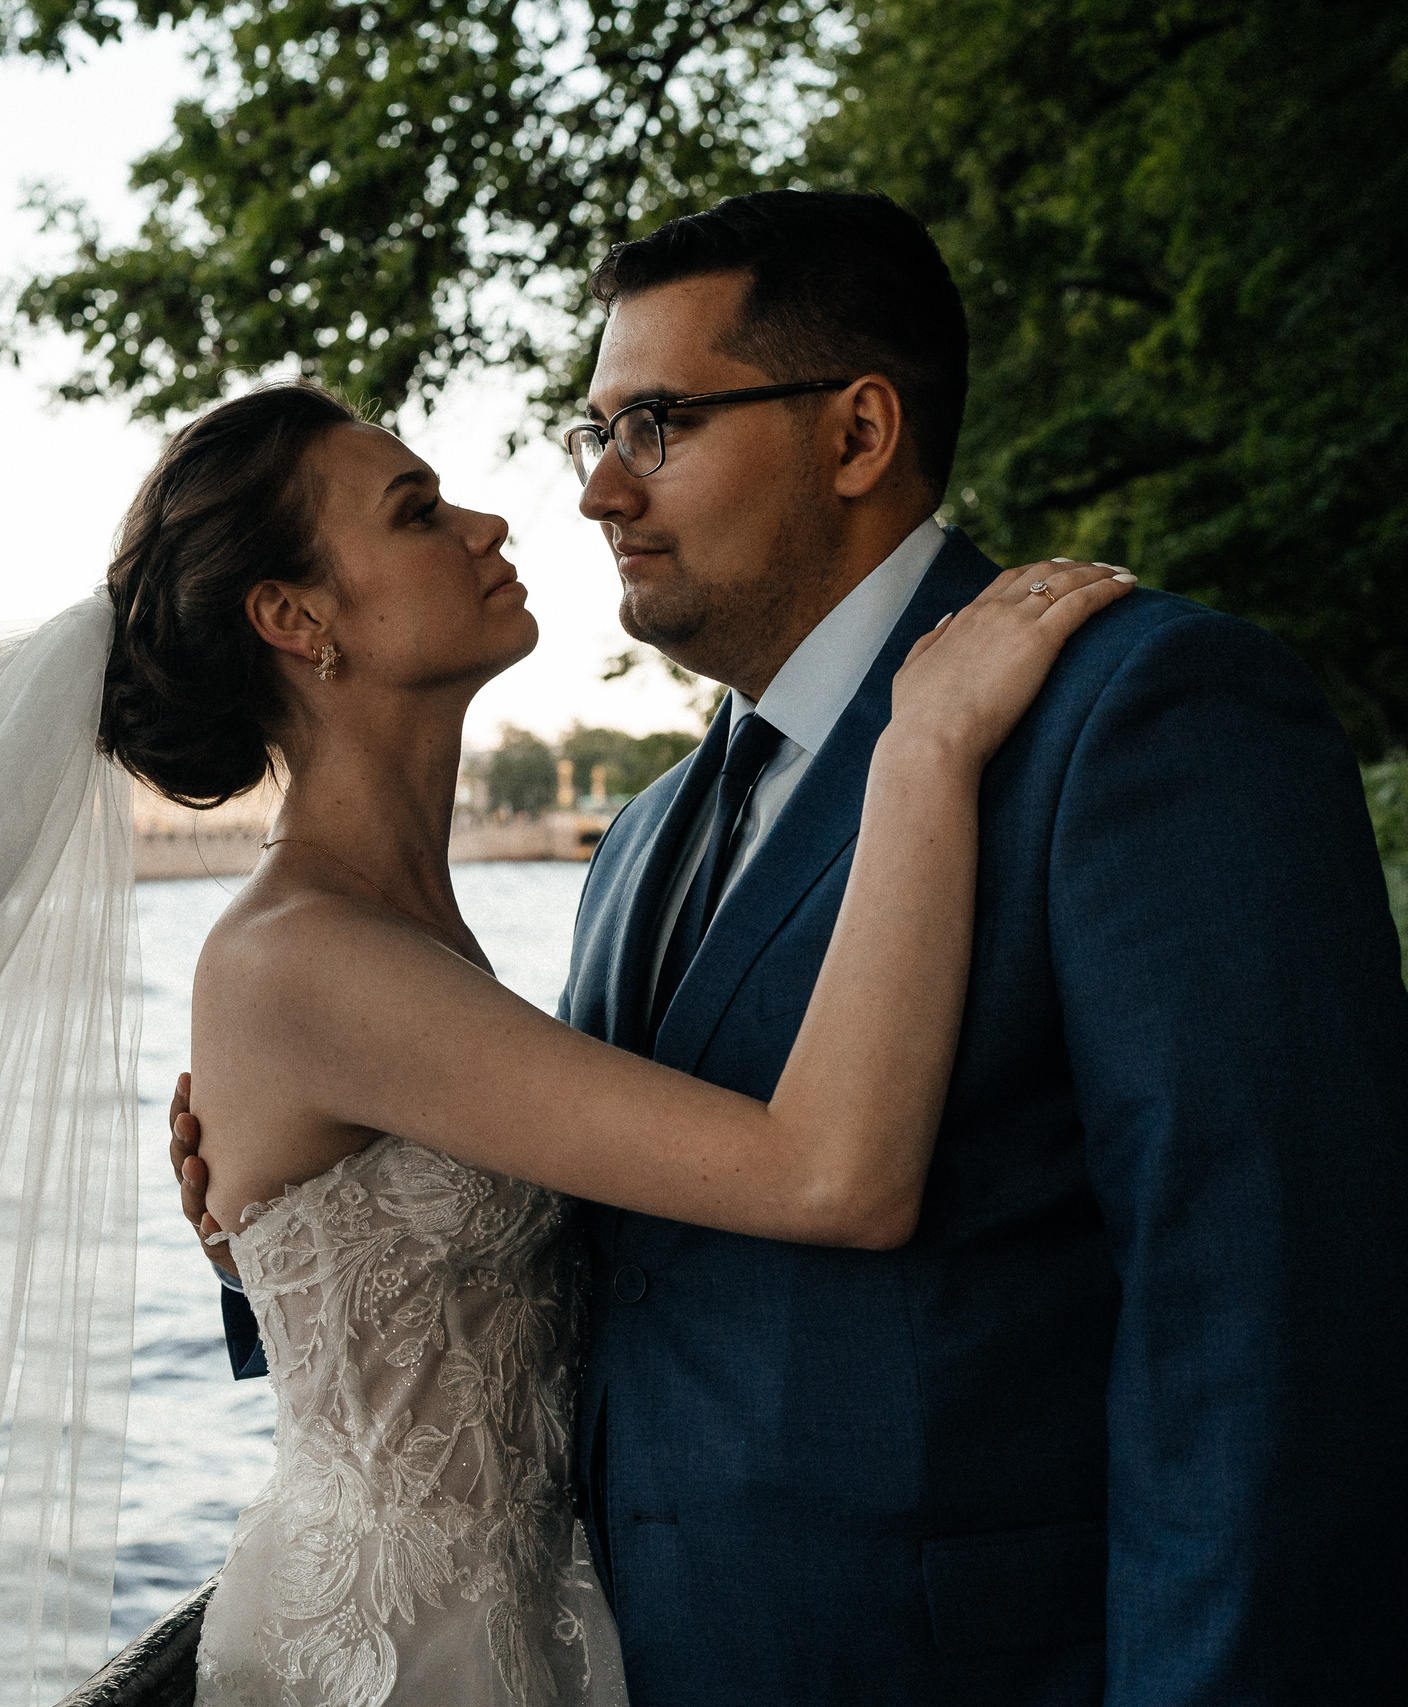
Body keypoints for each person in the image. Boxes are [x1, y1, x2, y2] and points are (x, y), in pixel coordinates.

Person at [174, 191, 1408, 1706]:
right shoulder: (639, 842)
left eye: (656, 425)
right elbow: (608, 1254)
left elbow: (1277, 1324)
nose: (594, 495)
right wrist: (279, 1209)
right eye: (595, 432)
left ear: (858, 434)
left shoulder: (1145, 717)